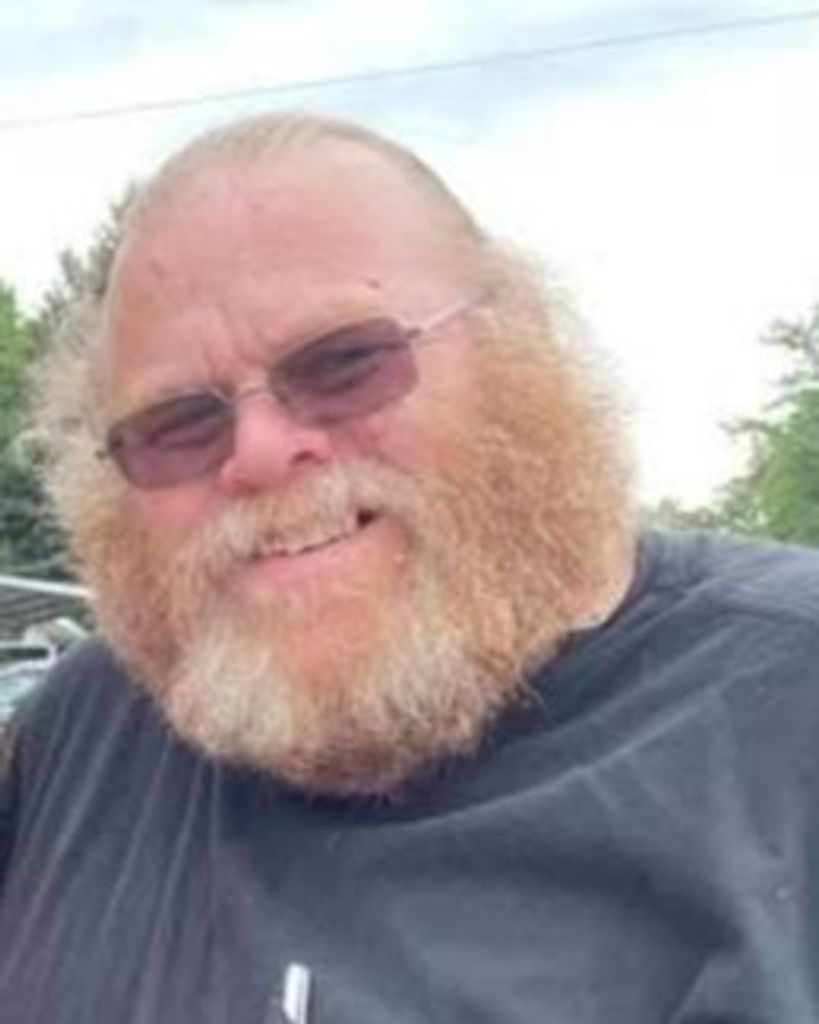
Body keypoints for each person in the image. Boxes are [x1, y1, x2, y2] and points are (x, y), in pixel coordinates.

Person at [1, 112, 817, 1024]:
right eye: (179, 425)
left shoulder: (788, 709)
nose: (259, 452)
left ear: (518, 348)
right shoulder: (85, 736)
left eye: (345, 363)